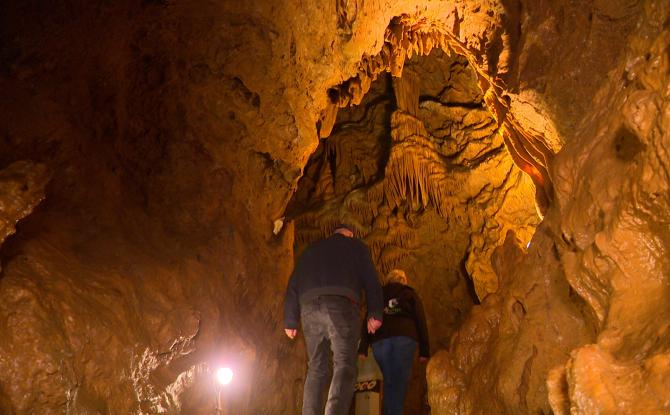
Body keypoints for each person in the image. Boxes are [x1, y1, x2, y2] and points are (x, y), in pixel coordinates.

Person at [284, 223, 384, 415]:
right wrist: (375, 313)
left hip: (309, 307)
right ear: (350, 234)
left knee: (316, 368)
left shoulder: (311, 250)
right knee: (344, 364)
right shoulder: (356, 247)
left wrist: (290, 319)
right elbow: (371, 280)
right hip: (341, 305)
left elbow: (293, 284)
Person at [358, 269, 430, 415]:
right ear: (403, 280)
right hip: (404, 340)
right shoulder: (409, 293)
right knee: (398, 384)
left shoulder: (379, 295)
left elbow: (368, 318)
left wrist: (363, 348)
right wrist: (424, 350)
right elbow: (420, 320)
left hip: (380, 342)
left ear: (388, 280)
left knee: (390, 383)